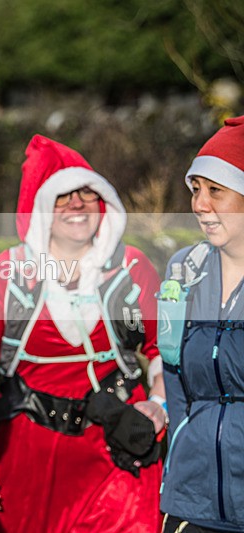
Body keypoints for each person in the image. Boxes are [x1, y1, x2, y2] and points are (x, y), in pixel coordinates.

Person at [0, 134, 166, 533]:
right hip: (26, 458)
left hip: (118, 454)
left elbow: (162, 352)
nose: (78, 205)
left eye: (87, 193)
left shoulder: (131, 267)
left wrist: (159, 405)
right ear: (40, 209)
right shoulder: (6, 274)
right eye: (63, 197)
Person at [159, 116, 244, 532]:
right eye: (195, 190)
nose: (199, 204)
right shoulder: (183, 271)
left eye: (216, 191)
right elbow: (173, 378)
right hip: (192, 501)